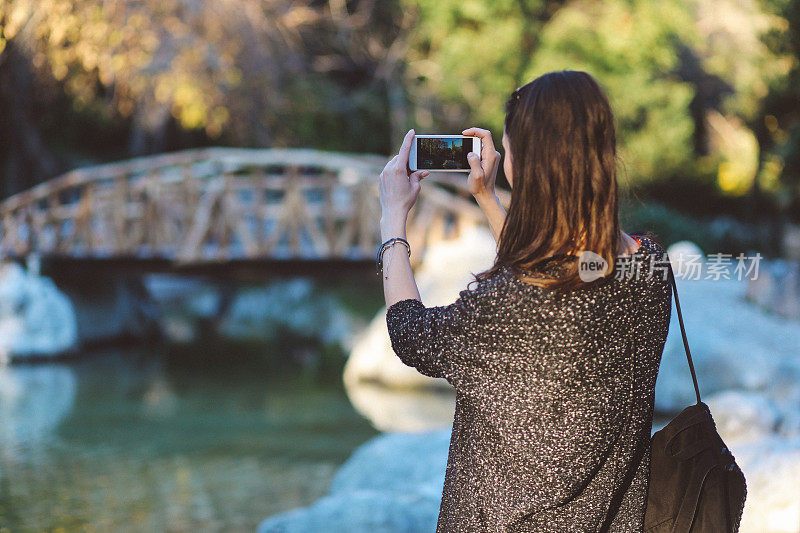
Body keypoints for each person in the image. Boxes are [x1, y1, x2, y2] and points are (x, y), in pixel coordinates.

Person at [377, 70, 672, 532]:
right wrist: (487, 197)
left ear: (528, 164)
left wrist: (393, 221)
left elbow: (411, 334)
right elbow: (559, 267)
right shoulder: (648, 266)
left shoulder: (509, 305)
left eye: (509, 149)